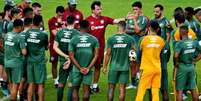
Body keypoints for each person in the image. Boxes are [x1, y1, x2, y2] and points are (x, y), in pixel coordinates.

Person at [86, 1, 124, 92]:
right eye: (98, 9)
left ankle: (95, 85)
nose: (100, 10)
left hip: (100, 47)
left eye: (101, 8)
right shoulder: (87, 20)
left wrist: (127, 18)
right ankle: (87, 86)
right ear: (92, 10)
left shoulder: (104, 19)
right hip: (89, 48)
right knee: (88, 67)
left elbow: (116, 21)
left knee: (98, 66)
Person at [102, 21, 135, 101]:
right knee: (122, 89)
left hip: (113, 67)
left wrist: (105, 67)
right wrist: (132, 67)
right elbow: (133, 54)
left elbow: (108, 54)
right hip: (125, 67)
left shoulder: (111, 39)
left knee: (111, 88)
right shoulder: (130, 39)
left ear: (117, 27)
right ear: (125, 28)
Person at [69, 20, 99, 101]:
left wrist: (79, 68)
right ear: (88, 27)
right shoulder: (94, 39)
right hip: (88, 70)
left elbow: (71, 56)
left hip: (76, 69)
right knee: (86, 91)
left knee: (75, 90)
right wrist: (88, 68)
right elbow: (96, 55)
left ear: (79, 27)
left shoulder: (73, 39)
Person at [135, 20, 165, 101]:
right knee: (155, 91)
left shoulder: (143, 39)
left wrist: (137, 71)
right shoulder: (161, 40)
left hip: (146, 69)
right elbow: (161, 54)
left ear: (149, 28)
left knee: (141, 90)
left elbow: (138, 56)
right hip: (157, 68)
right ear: (158, 29)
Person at [53, 15, 80, 101]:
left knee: (61, 84)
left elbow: (55, 47)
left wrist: (65, 56)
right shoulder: (77, 34)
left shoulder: (60, 32)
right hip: (74, 61)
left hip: (62, 61)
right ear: (74, 23)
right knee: (71, 85)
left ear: (66, 22)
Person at [126, 1, 149, 89]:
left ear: (140, 9)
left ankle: (143, 82)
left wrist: (135, 22)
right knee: (132, 63)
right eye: (133, 9)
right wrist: (136, 31)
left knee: (141, 64)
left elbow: (139, 30)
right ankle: (133, 83)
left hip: (141, 45)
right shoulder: (130, 18)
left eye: (136, 9)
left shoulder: (144, 19)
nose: (134, 11)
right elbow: (127, 30)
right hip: (132, 46)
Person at [174, 25, 201, 101]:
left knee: (179, 90)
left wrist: (176, 63)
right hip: (191, 66)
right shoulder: (194, 42)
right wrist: (195, 60)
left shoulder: (180, 43)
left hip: (182, 67)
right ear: (188, 32)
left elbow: (176, 56)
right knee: (193, 89)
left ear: (180, 32)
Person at [25, 15, 48, 101]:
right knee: (40, 84)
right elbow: (46, 47)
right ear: (40, 23)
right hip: (39, 62)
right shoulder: (43, 34)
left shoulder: (27, 33)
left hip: (29, 61)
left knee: (31, 84)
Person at [4, 19, 27, 101]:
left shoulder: (7, 35)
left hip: (7, 63)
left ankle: (12, 97)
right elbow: (24, 52)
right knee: (15, 85)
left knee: (10, 83)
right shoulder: (19, 37)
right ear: (20, 27)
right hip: (16, 64)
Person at [48, 6, 66, 87]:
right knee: (54, 63)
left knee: (64, 61)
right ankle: (56, 81)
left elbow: (67, 31)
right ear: (57, 13)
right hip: (54, 44)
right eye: (59, 15)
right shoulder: (51, 21)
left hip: (63, 45)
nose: (61, 17)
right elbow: (54, 33)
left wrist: (62, 25)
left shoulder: (64, 20)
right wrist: (62, 31)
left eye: (62, 15)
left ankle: (63, 77)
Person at [18, 17, 33, 101]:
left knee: (24, 78)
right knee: (27, 78)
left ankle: (21, 95)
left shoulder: (20, 34)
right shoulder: (29, 35)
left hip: (21, 59)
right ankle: (22, 94)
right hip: (27, 59)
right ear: (31, 24)